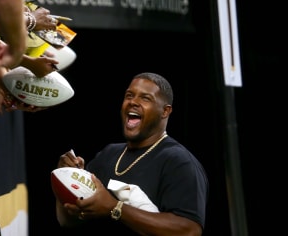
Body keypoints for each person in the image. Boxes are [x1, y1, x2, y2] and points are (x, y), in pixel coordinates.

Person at [56, 72, 209, 235]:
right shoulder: (107, 155)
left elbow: (189, 231)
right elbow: (67, 221)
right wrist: (66, 178)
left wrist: (115, 208)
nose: (133, 102)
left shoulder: (179, 162)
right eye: (129, 95)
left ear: (165, 111)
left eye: (145, 98)